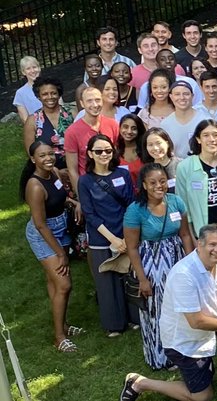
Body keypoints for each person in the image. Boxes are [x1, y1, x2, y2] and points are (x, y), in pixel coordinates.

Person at [118, 225, 217, 401]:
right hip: (185, 340)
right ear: (199, 244)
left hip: (211, 320)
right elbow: (196, 322)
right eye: (212, 244)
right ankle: (139, 382)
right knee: (203, 397)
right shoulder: (183, 274)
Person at [123, 163, 195, 369]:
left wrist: (191, 264)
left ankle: (183, 352)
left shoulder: (176, 202)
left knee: (180, 306)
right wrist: (143, 279)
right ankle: (161, 356)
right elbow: (132, 248)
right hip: (152, 263)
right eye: (153, 182)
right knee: (158, 310)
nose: (159, 186)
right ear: (144, 185)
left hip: (177, 258)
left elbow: (185, 234)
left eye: (162, 181)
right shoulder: (135, 211)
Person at [21, 141, 81, 352]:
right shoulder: (35, 186)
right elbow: (40, 224)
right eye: (42, 156)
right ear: (33, 159)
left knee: (55, 282)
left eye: (50, 154)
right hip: (43, 234)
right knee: (64, 285)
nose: (48, 158)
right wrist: (59, 253)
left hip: (60, 227)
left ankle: (63, 325)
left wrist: (75, 203)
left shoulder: (54, 172)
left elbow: (60, 197)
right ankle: (59, 337)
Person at [78, 134, 139, 337]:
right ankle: (114, 324)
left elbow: (131, 203)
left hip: (126, 234)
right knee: (107, 283)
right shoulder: (85, 181)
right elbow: (90, 214)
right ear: (90, 154)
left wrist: (126, 236)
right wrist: (112, 239)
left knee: (131, 277)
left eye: (108, 150)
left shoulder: (122, 173)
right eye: (98, 151)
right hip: (101, 239)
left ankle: (135, 317)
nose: (104, 154)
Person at [176, 120, 217, 241]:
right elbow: (184, 209)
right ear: (198, 139)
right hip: (204, 233)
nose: (212, 139)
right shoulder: (185, 167)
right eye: (206, 135)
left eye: (216, 135)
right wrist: (193, 240)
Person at [65, 87, 121, 190]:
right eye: (89, 101)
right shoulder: (72, 132)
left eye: (97, 100)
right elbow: (72, 170)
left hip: (113, 184)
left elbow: (118, 156)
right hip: (89, 187)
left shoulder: (113, 125)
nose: (95, 105)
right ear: (82, 104)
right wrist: (81, 197)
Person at [23, 77, 72, 168]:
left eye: (53, 93)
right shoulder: (32, 120)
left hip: (75, 167)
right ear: (39, 96)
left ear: (59, 94)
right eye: (45, 94)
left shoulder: (72, 114)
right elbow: (31, 154)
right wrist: (55, 172)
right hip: (47, 170)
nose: (50, 97)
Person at [13, 56, 43, 122]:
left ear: (39, 68)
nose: (32, 71)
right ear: (23, 72)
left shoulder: (52, 85)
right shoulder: (20, 93)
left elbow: (62, 110)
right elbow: (25, 120)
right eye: (28, 69)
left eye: (34, 67)